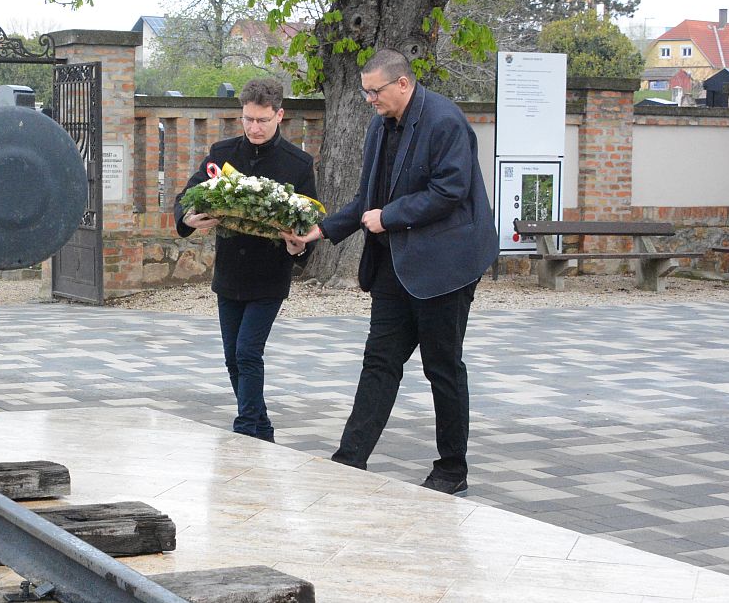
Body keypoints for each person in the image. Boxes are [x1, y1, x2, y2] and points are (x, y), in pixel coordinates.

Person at [286, 48, 498, 493]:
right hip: (393, 266)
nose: (369, 100)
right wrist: (317, 232)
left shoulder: (445, 121)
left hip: (445, 267)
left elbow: (451, 190)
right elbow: (367, 200)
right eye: (365, 92)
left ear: (403, 83)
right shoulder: (379, 126)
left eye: (374, 91)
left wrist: (390, 216)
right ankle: (349, 460)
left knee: (442, 367)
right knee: (379, 363)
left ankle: (451, 471)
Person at [176, 78, 317, 443]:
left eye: (262, 120)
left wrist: (298, 246)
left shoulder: (299, 164)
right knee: (232, 358)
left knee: (248, 352)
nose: (254, 128)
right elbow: (187, 196)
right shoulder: (222, 153)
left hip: (269, 276)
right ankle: (263, 430)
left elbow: (309, 227)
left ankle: (245, 432)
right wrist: (188, 217)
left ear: (279, 116)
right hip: (230, 274)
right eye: (248, 119)